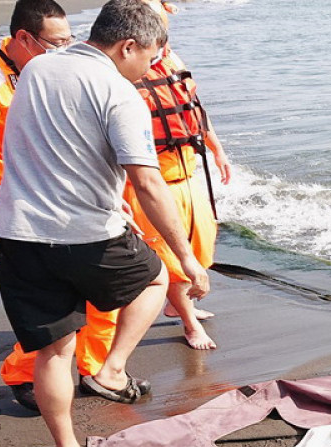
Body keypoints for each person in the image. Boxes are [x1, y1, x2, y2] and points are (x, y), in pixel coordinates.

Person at [0, 0, 209, 447]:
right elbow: (148, 183)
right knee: (154, 280)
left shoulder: (37, 68)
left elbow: (51, 141)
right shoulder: (121, 92)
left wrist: (105, 190)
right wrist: (189, 259)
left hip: (17, 234)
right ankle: (112, 371)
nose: (150, 69)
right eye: (149, 58)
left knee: (54, 354)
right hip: (85, 235)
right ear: (128, 45)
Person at [0, 0, 121, 413]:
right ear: (23, 38)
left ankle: (94, 368)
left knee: (102, 294)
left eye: (69, 40)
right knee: (48, 306)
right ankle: (24, 374)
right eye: (55, 43)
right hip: (19, 210)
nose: (65, 50)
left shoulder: (57, 72)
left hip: (73, 200)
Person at [122, 0, 232, 350]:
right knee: (170, 255)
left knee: (203, 243)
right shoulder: (123, 70)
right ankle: (188, 323)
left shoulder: (172, 59)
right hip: (150, 182)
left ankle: (177, 302)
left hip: (187, 174)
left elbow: (193, 107)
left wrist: (217, 149)